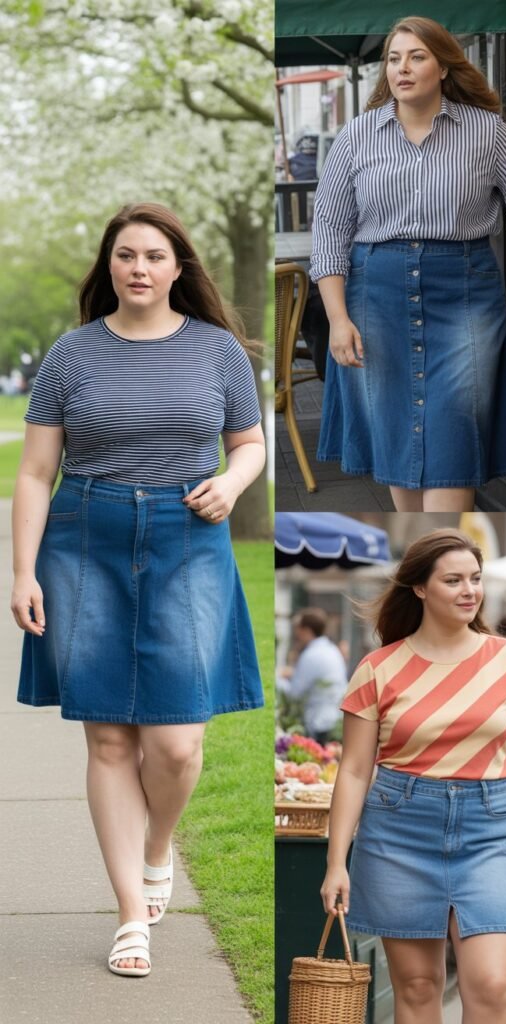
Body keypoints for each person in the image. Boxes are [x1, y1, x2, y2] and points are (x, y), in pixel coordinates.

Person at [10, 202, 266, 978]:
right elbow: (33, 472)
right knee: (110, 736)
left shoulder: (218, 352)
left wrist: (234, 481)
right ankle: (131, 914)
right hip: (86, 540)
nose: (140, 268)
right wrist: (21, 570)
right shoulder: (70, 356)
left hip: (189, 540)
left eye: (154, 255)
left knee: (179, 741)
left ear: (178, 267)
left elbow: (249, 444)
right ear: (109, 265)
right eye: (126, 255)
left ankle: (158, 849)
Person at [310, 16, 506, 513]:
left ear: (445, 67)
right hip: (377, 300)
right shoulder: (356, 137)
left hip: (464, 299)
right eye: (393, 58)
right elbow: (330, 232)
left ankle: (440, 561)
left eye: (417, 57)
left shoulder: (487, 132)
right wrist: (338, 318)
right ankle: (422, 573)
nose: (402, 68)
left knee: (454, 434)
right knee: (395, 436)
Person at [321, 529, 506, 1023]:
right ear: (420, 588)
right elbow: (353, 770)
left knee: (492, 986)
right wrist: (336, 862)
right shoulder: (377, 669)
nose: (469, 590)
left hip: (490, 831)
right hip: (397, 832)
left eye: (474, 579)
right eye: (453, 580)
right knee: (416, 986)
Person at [278, 607, 348, 745]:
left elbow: (294, 694)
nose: (296, 634)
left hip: (316, 724)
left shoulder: (310, 655)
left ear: (307, 630)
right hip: (334, 718)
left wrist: (278, 678)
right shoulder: (332, 650)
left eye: (298, 629)